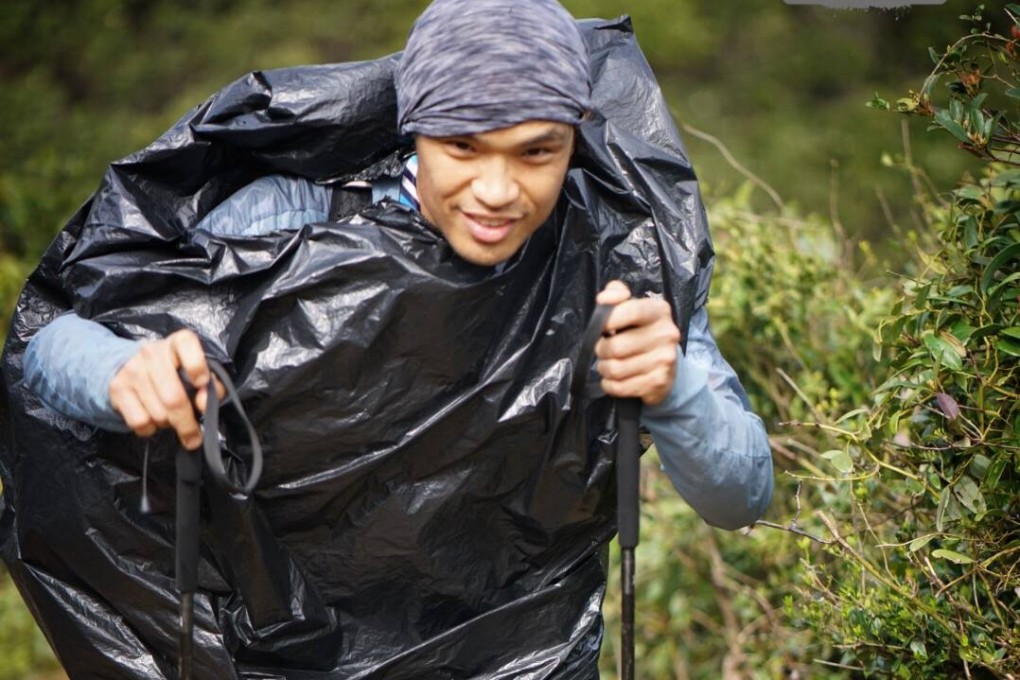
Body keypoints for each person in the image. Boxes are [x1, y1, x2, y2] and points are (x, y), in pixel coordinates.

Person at [10, 0, 772, 676]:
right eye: (463, 148)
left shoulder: (619, 260)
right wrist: (121, 371)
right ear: (415, 130)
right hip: (279, 651)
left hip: (525, 655)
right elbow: (51, 343)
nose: (499, 191)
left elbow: (742, 497)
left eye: (536, 152)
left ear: (575, 138)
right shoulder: (289, 220)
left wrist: (674, 388)